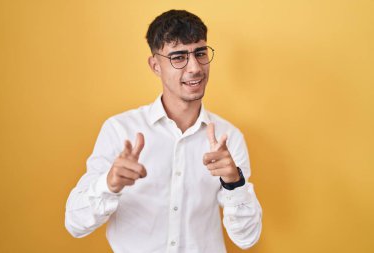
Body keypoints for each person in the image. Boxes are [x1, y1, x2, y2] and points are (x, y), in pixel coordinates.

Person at [65, 9, 262, 253]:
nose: (195, 68)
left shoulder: (228, 137)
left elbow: (247, 239)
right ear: (155, 65)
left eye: (200, 53)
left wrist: (234, 182)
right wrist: (109, 184)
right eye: (178, 57)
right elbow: (75, 224)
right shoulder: (119, 130)